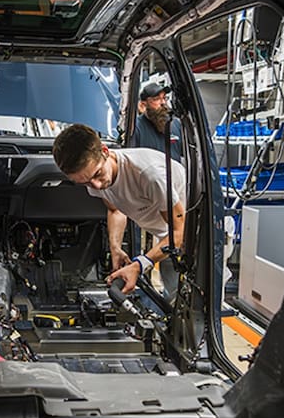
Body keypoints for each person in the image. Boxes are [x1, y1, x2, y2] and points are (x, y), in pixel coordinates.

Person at [53, 124, 186, 297]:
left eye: (97, 174)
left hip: (200, 235)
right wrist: (115, 247)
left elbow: (180, 231)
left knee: (196, 308)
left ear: (105, 151)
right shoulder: (94, 181)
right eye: (85, 182)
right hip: (167, 238)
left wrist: (139, 264)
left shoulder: (148, 175)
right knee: (174, 301)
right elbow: (115, 210)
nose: (97, 185)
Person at [128, 81, 183, 162]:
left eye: (164, 98)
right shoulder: (136, 128)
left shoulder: (176, 124)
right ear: (143, 104)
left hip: (174, 174)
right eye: (156, 99)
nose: (163, 103)